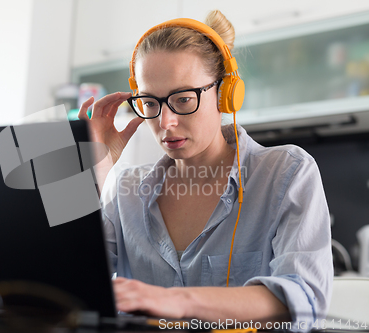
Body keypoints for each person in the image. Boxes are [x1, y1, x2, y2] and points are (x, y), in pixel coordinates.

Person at [78, 10, 332, 331]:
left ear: (224, 93)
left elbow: (304, 299)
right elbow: (61, 284)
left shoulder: (285, 173)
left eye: (183, 99)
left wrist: (177, 300)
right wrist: (94, 171)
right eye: (151, 104)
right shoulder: (127, 189)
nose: (165, 122)